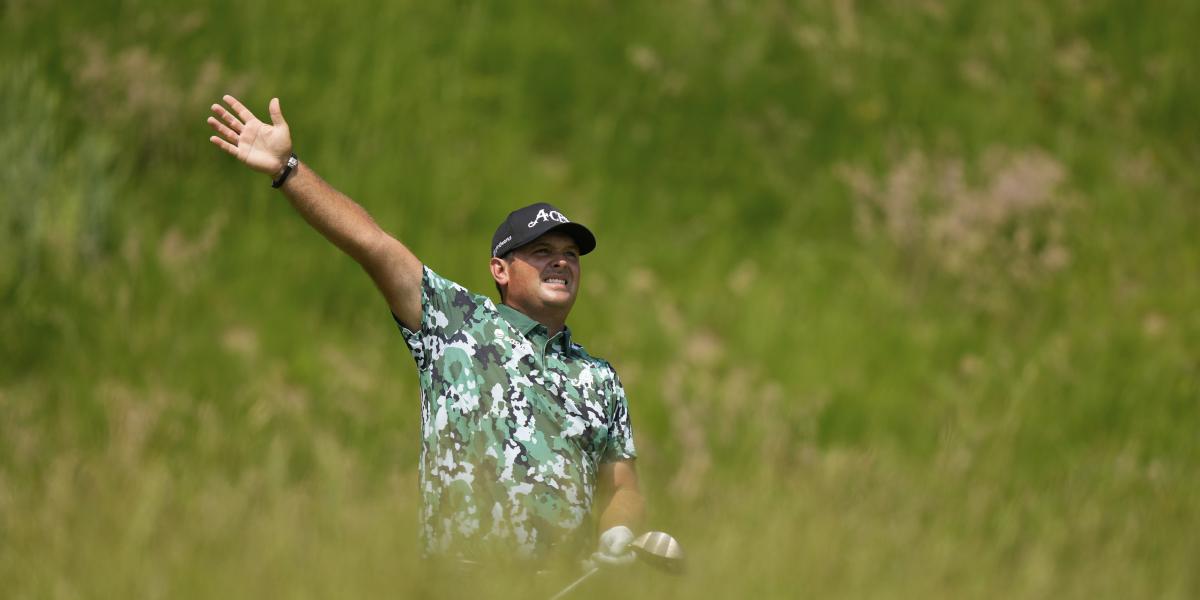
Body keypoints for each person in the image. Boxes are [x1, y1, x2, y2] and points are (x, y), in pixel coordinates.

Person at [206, 95, 645, 575]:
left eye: (570, 255)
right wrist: (287, 170)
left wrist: (618, 534)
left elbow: (621, 486)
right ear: (500, 269)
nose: (561, 261)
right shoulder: (457, 322)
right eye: (542, 251)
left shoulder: (599, 378)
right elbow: (373, 243)